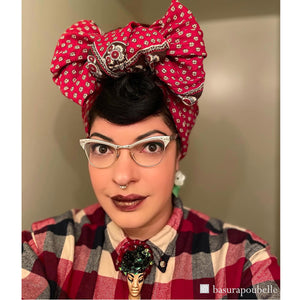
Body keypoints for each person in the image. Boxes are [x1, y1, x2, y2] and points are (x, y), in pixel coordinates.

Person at [22, 0, 280, 298]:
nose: (122, 176)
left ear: (178, 154)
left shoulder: (242, 262)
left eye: (151, 146)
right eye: (103, 149)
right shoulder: (44, 250)